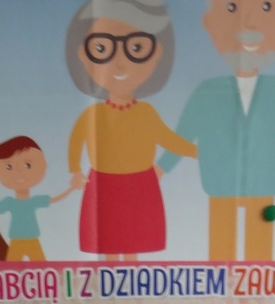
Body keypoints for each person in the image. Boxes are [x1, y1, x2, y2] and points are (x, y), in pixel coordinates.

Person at [157, 0, 275, 261]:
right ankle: (219, 281)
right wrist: (162, 168)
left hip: (264, 179)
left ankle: (258, 281)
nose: (248, 24)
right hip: (220, 179)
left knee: (259, 251)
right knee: (220, 247)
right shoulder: (208, 91)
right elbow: (184, 133)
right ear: (209, 24)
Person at [65, 0, 196, 259]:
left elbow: (168, 139)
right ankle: (110, 283)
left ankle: (131, 282)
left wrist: (198, 152)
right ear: (83, 54)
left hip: (140, 186)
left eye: (136, 48)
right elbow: (76, 140)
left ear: (156, 52)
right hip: (104, 185)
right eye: (102, 48)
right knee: (109, 242)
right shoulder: (93, 114)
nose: (120, 63)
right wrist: (74, 170)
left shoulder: (146, 113)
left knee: (133, 241)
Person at [0, 136, 78, 262]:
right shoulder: (9, 202)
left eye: (27, 165)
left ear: (43, 166)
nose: (19, 173)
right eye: (9, 167)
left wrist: (72, 188)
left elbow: (55, 199)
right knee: (11, 268)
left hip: (32, 240)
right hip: (16, 241)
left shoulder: (34, 201)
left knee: (41, 267)